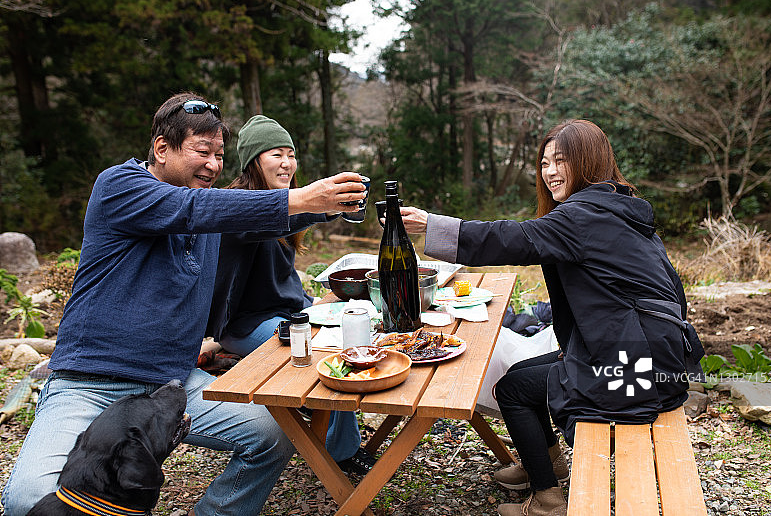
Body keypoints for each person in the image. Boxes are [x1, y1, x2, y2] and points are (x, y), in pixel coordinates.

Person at [0, 92, 366, 516]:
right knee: (27, 501)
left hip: (172, 386)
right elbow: (190, 209)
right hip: (91, 382)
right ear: (161, 148)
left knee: (274, 435)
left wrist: (328, 207)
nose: (213, 164)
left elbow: (242, 216)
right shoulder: (119, 186)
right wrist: (303, 198)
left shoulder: (210, 214)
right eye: (202, 151)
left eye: (219, 155)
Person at [400, 119, 700, 516]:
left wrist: (431, 225)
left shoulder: (583, 215)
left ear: (589, 161)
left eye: (561, 161)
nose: (550, 171)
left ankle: (547, 501)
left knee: (513, 391)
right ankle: (548, 464)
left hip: (634, 371)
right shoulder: (620, 207)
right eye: (544, 163)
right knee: (521, 377)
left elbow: (511, 238)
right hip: (655, 356)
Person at [205, 114, 374, 474]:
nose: (286, 163)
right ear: (254, 161)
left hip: (291, 313)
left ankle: (334, 432)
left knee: (353, 331)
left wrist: (319, 302)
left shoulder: (286, 203)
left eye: (291, 154)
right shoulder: (236, 204)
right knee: (330, 354)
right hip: (247, 324)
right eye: (275, 154)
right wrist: (326, 207)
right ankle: (338, 454)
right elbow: (263, 221)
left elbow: (282, 272)